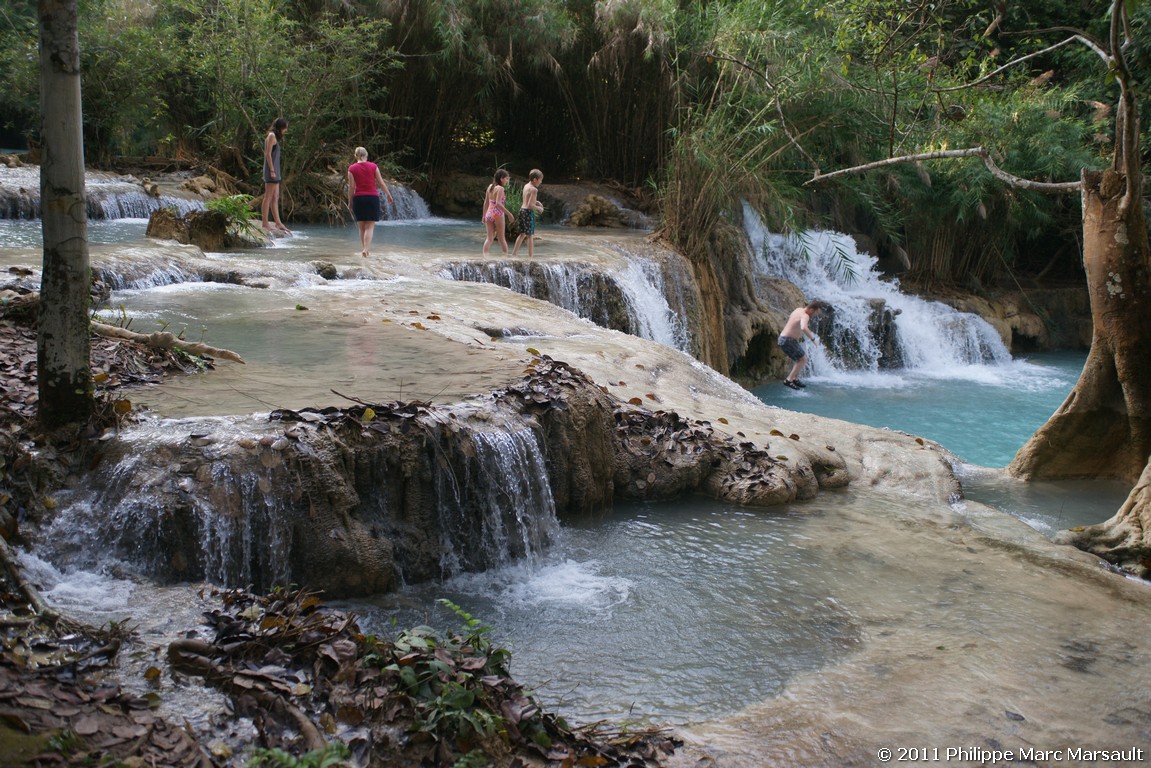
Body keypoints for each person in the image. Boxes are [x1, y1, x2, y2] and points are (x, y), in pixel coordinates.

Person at [346, 146, 395, 258]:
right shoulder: (373, 166)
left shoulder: (351, 168)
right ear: (366, 155)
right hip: (372, 198)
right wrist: (388, 194)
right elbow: (381, 183)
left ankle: (364, 249)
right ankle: (366, 249)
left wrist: (350, 201)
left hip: (358, 198)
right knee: (370, 226)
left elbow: (352, 187)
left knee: (361, 226)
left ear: (355, 156)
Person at [778, 300, 831, 389]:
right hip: (787, 340)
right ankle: (789, 380)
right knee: (803, 359)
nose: (814, 315)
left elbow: (793, 319)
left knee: (799, 358)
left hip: (784, 339)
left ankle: (795, 378)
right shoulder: (805, 316)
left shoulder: (798, 310)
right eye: (815, 313)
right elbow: (803, 327)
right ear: (811, 310)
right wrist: (813, 339)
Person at [261, 117, 290, 233]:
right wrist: (272, 170)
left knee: (275, 197)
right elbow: (267, 154)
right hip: (271, 170)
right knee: (268, 196)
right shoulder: (271, 136)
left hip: (275, 170)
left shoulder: (275, 137)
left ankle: (278, 223)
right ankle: (265, 223)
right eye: (285, 127)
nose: (286, 130)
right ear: (280, 127)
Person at [511, 169, 545, 258]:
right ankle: (531, 257)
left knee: (522, 234)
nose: (541, 182)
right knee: (530, 235)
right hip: (528, 212)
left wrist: (537, 202)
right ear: (535, 179)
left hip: (522, 210)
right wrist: (539, 208)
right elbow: (530, 205)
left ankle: (514, 254)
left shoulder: (526, 186)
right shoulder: (534, 189)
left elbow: (527, 200)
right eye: (540, 180)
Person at [481, 169, 515, 255]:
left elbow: (486, 202)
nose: (507, 181)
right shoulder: (500, 189)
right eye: (506, 179)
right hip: (497, 213)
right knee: (501, 238)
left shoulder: (490, 187)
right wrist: (509, 214)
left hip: (489, 212)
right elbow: (498, 204)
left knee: (489, 238)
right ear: (501, 178)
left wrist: (484, 215)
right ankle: (505, 257)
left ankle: (485, 256)